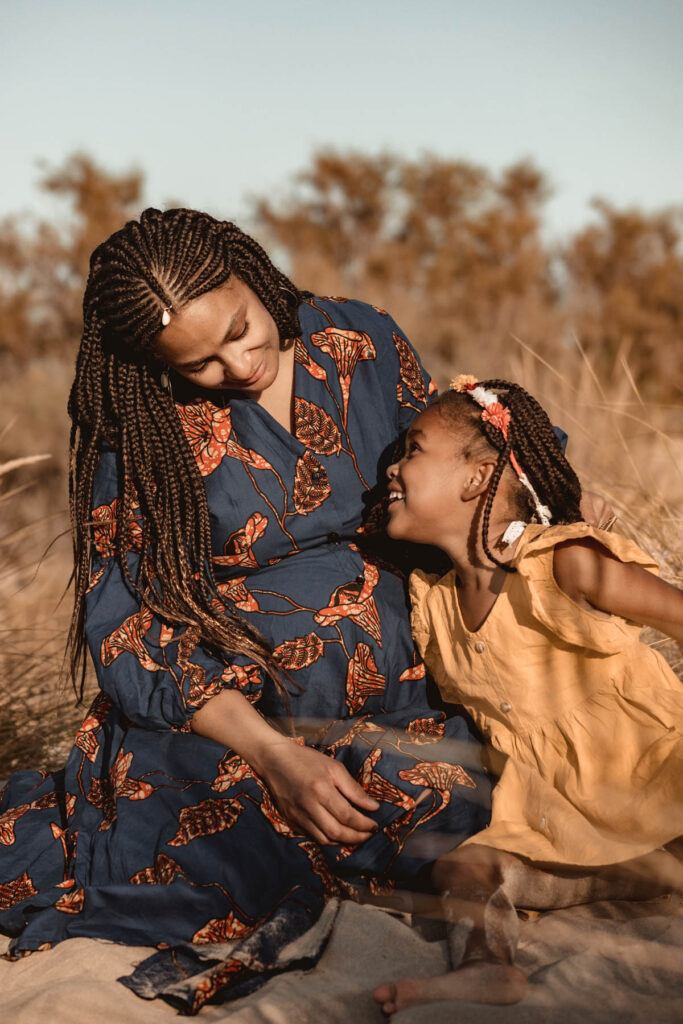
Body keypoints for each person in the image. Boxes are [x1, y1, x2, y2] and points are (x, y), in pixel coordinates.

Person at [0, 208, 497, 1014]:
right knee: (191, 846)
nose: (238, 363)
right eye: (198, 362)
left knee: (450, 804)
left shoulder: (359, 343)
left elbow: (463, 476)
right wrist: (271, 754)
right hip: (241, 708)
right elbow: (127, 627)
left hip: (408, 688)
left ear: (247, 269)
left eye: (239, 327)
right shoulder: (147, 426)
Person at [372, 375, 683, 1016]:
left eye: (414, 449)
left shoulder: (559, 562)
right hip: (559, 826)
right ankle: (487, 967)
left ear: (477, 478)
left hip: (660, 782)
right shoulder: (433, 608)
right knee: (463, 868)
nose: (393, 469)